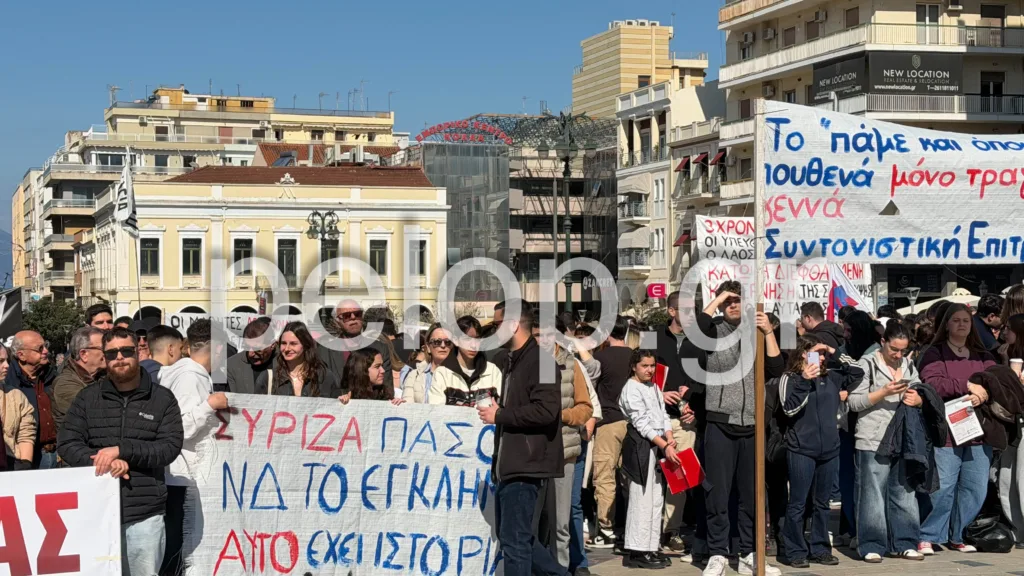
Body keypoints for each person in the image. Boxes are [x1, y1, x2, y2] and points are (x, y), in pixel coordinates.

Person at [57, 327, 184, 576]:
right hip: (97, 510)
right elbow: (67, 443)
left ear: (138, 352)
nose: (119, 357)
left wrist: (123, 451)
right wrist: (103, 461)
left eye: (126, 351)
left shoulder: (163, 399)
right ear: (104, 358)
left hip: (145, 513)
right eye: (112, 353)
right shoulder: (87, 398)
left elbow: (169, 447)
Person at [700, 282, 784, 576]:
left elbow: (776, 370)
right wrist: (717, 299)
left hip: (752, 424)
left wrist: (769, 332)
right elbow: (694, 334)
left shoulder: (756, 331)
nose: (733, 305)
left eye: (738, 300)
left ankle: (750, 553)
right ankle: (718, 554)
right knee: (718, 494)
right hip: (721, 422)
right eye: (728, 302)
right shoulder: (713, 331)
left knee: (752, 495)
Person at [476, 300, 564, 576]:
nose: (494, 331)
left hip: (527, 465)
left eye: (497, 324)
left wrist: (500, 415)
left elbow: (547, 411)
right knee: (518, 538)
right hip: (510, 465)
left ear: (513, 325)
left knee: (515, 543)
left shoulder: (543, 361)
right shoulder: (512, 361)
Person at [778, 336, 863, 568]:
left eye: (823, 354)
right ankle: (795, 550)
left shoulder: (831, 375)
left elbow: (857, 372)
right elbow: (789, 408)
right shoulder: (790, 378)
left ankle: (820, 548)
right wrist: (805, 380)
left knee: (822, 503)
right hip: (801, 449)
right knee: (797, 502)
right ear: (802, 354)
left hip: (829, 448)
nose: (821, 357)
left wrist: (834, 351)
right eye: (815, 352)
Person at [918, 303, 996, 554]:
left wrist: (983, 395)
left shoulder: (983, 355)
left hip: (978, 431)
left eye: (966, 320)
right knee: (943, 488)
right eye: (956, 320)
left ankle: (958, 535)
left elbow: (994, 383)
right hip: (947, 431)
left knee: (975, 487)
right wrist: (966, 385)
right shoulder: (934, 353)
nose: (962, 324)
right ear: (946, 324)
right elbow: (933, 384)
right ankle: (929, 535)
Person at [849, 322, 927, 562]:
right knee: (872, 493)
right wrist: (883, 392)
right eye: (894, 349)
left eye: (903, 350)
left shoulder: (908, 364)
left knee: (904, 491)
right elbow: (853, 402)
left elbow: (920, 392)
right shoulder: (866, 364)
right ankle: (872, 544)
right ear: (883, 342)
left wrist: (918, 399)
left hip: (903, 437)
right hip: (873, 437)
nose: (898, 355)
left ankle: (905, 541)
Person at [157, 319, 229, 576]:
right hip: (182, 473)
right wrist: (209, 405)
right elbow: (181, 428)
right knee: (178, 549)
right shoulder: (192, 376)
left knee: (175, 545)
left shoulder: (177, 370)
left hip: (176, 472)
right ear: (218, 348)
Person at [536, 316, 593, 571]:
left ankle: (560, 569)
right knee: (533, 524)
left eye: (548, 334)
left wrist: (562, 416)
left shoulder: (573, 365)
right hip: (532, 452)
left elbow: (586, 408)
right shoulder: (526, 364)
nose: (543, 340)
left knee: (561, 524)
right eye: (537, 335)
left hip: (564, 452)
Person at [618, 349, 676, 569]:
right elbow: (641, 423)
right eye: (645, 366)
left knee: (655, 498)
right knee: (641, 498)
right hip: (641, 446)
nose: (650, 370)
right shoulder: (630, 388)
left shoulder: (654, 387)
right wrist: (664, 445)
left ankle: (652, 546)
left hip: (658, 446)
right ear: (634, 366)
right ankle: (637, 550)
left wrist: (669, 437)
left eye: (652, 366)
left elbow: (663, 415)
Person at [590, 315, 635, 549]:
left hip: (608, 422)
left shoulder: (599, 358)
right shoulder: (636, 357)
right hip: (634, 423)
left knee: (604, 476)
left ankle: (606, 528)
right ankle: (631, 527)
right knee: (630, 478)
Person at [5, 331, 57, 469]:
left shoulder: (53, 376)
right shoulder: (9, 385)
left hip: (56, 454)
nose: (46, 351)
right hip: (26, 459)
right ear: (21, 355)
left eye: (45, 345)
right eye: (40, 348)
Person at [430, 316, 502, 406]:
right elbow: (437, 412)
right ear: (456, 340)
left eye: (477, 339)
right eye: (467, 339)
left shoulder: (492, 371)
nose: (473, 345)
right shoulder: (442, 374)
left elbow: (501, 408)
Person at [259, 322, 342, 398]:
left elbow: (336, 409)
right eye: (283, 343)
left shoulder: (325, 377)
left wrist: (344, 402)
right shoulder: (267, 378)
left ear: (305, 345)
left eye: (293, 344)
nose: (287, 348)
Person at [52, 327, 106, 433]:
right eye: (103, 348)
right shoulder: (65, 384)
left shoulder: (102, 376)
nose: (108, 352)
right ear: (84, 354)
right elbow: (96, 414)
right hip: (78, 445)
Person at [1, 343, 35, 471]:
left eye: (7, 360)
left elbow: (26, 432)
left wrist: (24, 465)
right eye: (0, 361)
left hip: (11, 467)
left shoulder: (16, 396)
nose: (6, 366)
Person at [402, 323, 453, 403]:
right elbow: (407, 407)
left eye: (448, 342)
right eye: (437, 342)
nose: (443, 346)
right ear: (428, 347)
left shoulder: (459, 377)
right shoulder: (414, 376)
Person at [226, 317, 276, 394]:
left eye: (257, 349)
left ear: (272, 345)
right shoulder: (231, 365)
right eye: (247, 347)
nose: (250, 353)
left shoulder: (286, 363)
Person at [339, 347, 405, 404]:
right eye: (377, 366)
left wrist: (399, 406)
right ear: (362, 369)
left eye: (382, 365)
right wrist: (341, 403)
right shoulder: (341, 394)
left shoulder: (384, 394)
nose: (383, 370)